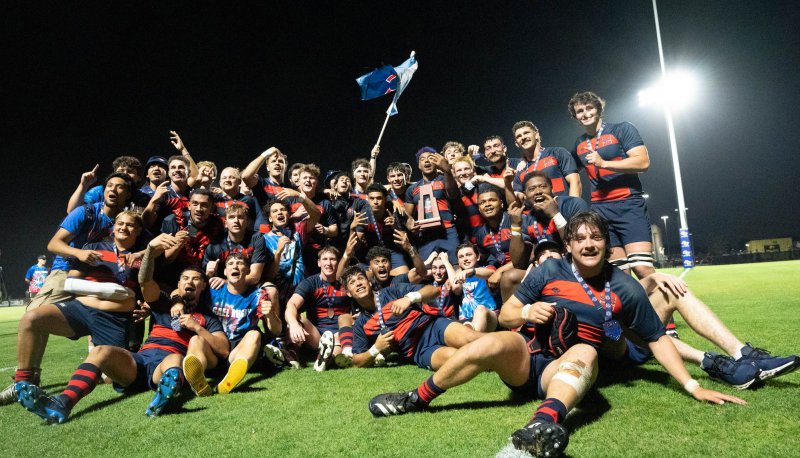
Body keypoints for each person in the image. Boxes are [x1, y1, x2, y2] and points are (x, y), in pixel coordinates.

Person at [367, 212, 745, 457]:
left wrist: (692, 387)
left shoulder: (625, 288)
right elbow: (510, 314)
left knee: (587, 351)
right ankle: (416, 398)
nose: (589, 244)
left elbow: (658, 339)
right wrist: (529, 310)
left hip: (565, 366)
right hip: (527, 356)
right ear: (569, 245)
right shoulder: (549, 272)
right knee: (490, 342)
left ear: (607, 244)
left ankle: (543, 423)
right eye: (580, 239)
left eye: (596, 238)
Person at [12, 237, 223, 422]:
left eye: (196, 279)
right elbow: (145, 280)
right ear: (178, 283)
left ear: (203, 286)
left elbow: (223, 350)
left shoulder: (208, 318)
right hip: (139, 361)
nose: (190, 282)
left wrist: (196, 327)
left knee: (176, 360)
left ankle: (161, 400)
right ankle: (63, 402)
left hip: (166, 363)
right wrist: (150, 250)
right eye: (185, 278)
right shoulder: (163, 303)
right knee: (101, 351)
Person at [3, 210, 144, 406]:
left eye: (130, 225)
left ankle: (97, 364)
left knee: (114, 378)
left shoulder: (141, 258)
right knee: (31, 319)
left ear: (138, 231)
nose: (123, 227)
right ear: (113, 227)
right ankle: (23, 384)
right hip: (81, 310)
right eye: (120, 223)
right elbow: (71, 284)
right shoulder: (94, 248)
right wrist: (108, 290)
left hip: (113, 319)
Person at [568, 91, 656, 278]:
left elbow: (643, 162)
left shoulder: (622, 129)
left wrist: (604, 163)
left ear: (599, 109)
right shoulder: (579, 143)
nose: (585, 113)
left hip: (629, 205)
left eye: (589, 108)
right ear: (575, 117)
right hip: (601, 212)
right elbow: (564, 173)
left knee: (643, 269)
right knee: (618, 274)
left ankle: (658, 308)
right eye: (580, 111)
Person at [28, 173, 134, 311]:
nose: (113, 190)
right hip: (67, 269)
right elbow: (53, 244)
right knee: (33, 316)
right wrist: (78, 253)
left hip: (103, 274)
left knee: (109, 317)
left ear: (128, 195)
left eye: (120, 187)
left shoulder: (128, 222)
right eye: (109, 186)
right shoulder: (85, 212)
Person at [342, 266, 482, 370]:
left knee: (471, 339)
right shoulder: (361, 323)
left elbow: (433, 291)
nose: (358, 283)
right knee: (456, 358)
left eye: (361, 279)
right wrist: (376, 348)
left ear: (369, 283)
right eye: (352, 282)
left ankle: (502, 352)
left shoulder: (392, 291)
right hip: (419, 351)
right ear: (348, 293)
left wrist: (410, 298)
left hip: (433, 327)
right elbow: (357, 361)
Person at [183, 253, 281, 396]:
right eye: (230, 264)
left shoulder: (258, 295)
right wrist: (176, 301)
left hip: (238, 351)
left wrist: (271, 314)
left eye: (240, 263)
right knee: (196, 340)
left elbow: (276, 331)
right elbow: (183, 292)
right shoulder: (211, 291)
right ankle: (198, 380)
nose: (235, 266)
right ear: (225, 272)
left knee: (254, 334)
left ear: (247, 271)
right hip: (213, 349)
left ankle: (231, 379)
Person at [284, 246, 355, 371]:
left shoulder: (347, 282)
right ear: (319, 262)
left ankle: (323, 360)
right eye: (325, 259)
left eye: (332, 259)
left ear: (338, 262)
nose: (328, 263)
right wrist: (294, 324)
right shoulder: (310, 283)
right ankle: (292, 356)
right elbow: (292, 304)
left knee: (341, 338)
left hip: (339, 334)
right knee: (297, 317)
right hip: (316, 335)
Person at [404, 148, 460, 264]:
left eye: (430, 158)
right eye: (422, 159)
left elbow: (454, 194)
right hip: (426, 235)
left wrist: (447, 171)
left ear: (436, 162)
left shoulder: (445, 179)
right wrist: (410, 224)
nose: (427, 161)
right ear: (419, 165)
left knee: (455, 265)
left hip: (447, 231)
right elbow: (407, 215)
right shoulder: (412, 188)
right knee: (428, 270)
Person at [511, 121, 581, 199]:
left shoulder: (558, 153)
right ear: (516, 143)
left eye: (526, 133)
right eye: (519, 136)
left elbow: (575, 181)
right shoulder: (520, 170)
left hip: (562, 208)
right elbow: (518, 196)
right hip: (537, 210)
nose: (523, 137)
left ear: (536, 135)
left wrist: (573, 207)